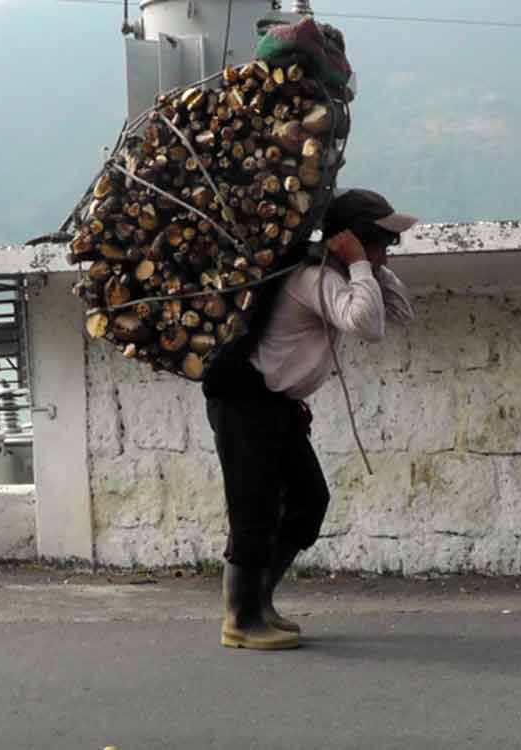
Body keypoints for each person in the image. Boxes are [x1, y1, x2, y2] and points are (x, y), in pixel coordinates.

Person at [203, 188, 417, 650]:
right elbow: (368, 326)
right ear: (353, 239)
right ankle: (240, 620)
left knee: (308, 501)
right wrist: (361, 264)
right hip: (245, 402)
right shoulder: (312, 279)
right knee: (253, 511)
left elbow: (398, 312)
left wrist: (371, 265)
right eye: (383, 241)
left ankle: (260, 602)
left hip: (275, 406)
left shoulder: (340, 274)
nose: (388, 251)